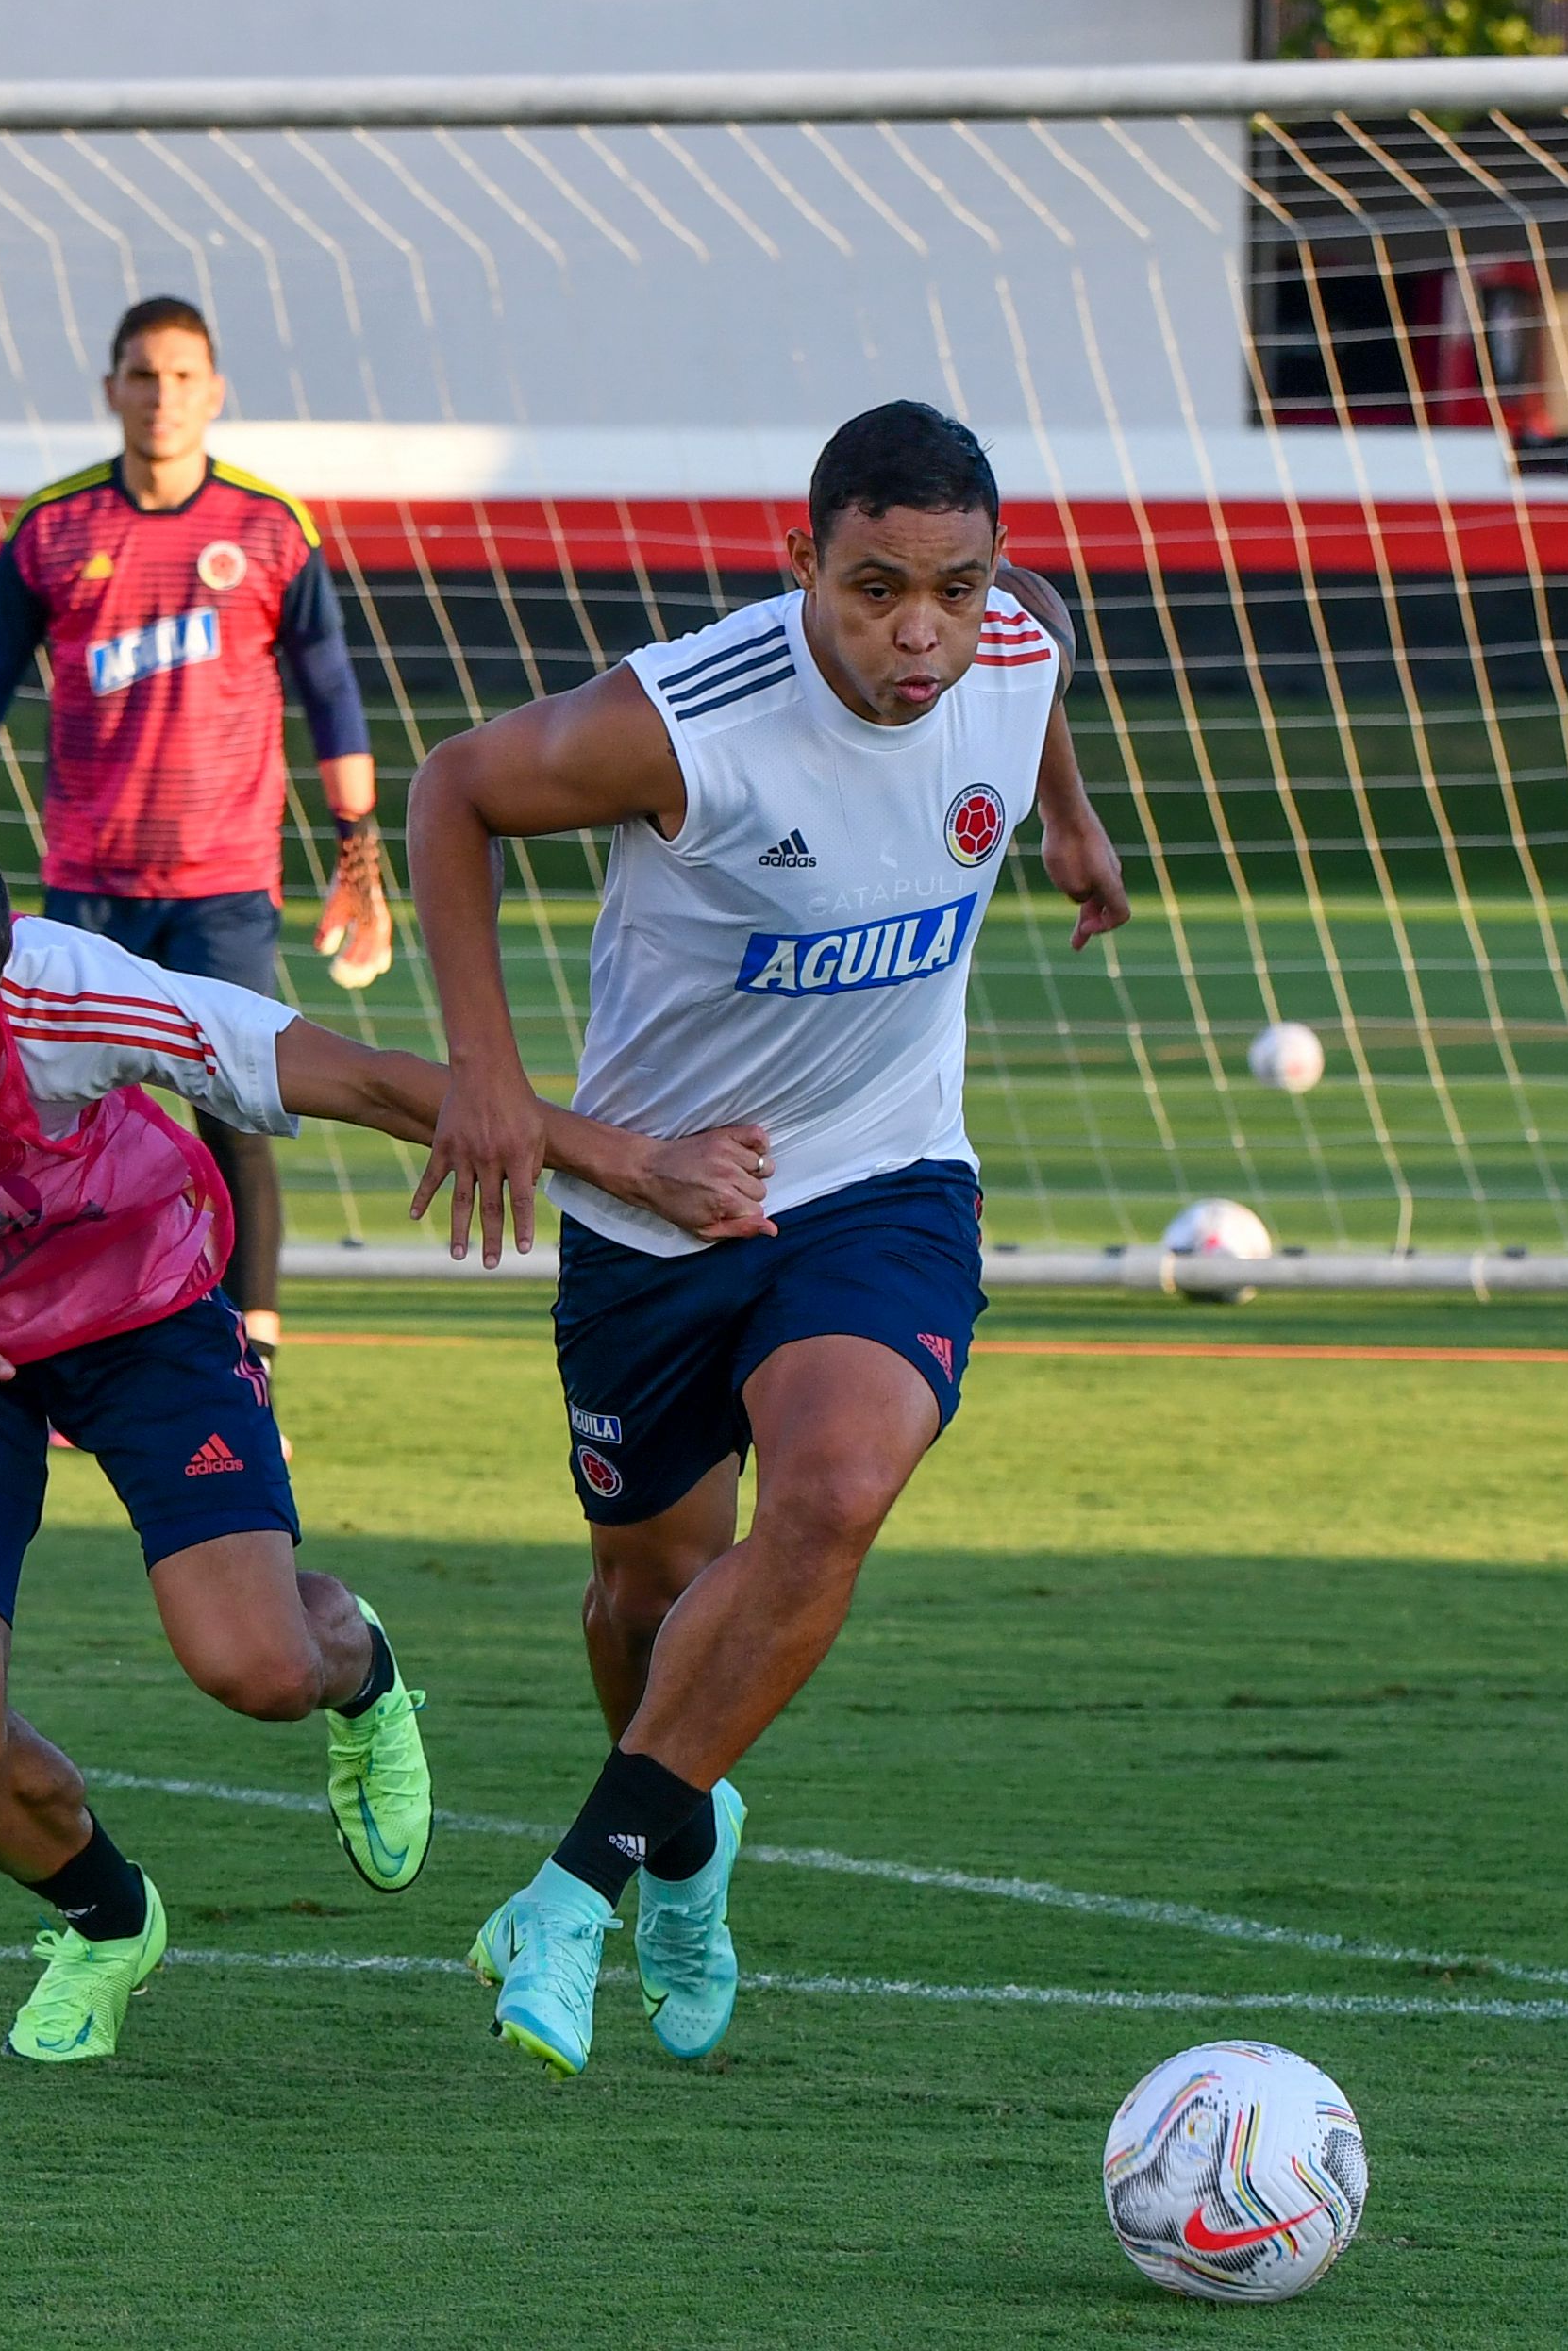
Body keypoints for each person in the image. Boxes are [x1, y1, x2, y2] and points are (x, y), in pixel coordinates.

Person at [0, 829, 769, 2063]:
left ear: (5, 979)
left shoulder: (74, 990)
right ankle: (107, 1923)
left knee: (258, 1672)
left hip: (135, 1309)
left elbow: (362, 1079)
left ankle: (358, 1669)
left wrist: (635, 1163)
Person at [407, 401, 1133, 2076]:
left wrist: (1072, 821)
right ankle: (681, 1838)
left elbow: (1031, 692)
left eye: (955, 589)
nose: (921, 633)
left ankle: (579, 1884)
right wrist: (493, 1083)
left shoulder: (1009, 647)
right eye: (877, 588)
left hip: (884, 1178)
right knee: (642, 1598)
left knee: (834, 1491)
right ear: (799, 560)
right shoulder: (688, 722)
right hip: (656, 1206)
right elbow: (453, 792)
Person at [0, 293, 384, 1371]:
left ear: (212, 391)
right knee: (76, 1111)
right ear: (111, 389)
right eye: (140, 374)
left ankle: (249, 1347)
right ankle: (84, 1332)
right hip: (88, 879)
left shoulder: (273, 525)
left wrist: (355, 834)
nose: (160, 395)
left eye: (181, 377)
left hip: (223, 880)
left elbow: (327, 685)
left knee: (238, 1101)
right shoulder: (52, 527)